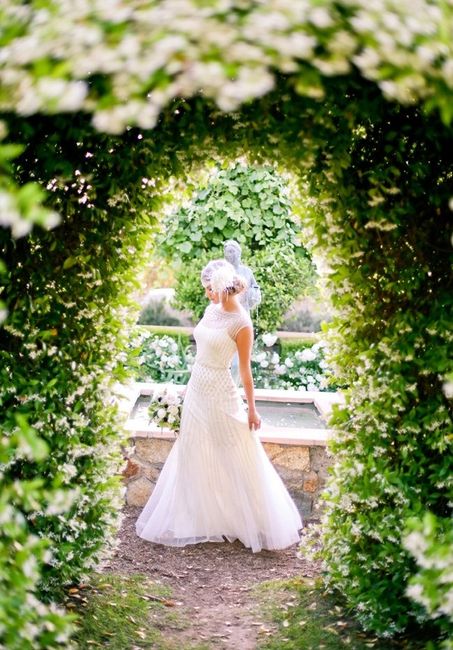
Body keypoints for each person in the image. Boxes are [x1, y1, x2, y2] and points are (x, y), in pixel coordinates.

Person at [136, 259, 302, 552]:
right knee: (192, 449)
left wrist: (252, 408)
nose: (206, 294)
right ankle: (195, 519)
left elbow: (246, 371)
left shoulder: (242, 324)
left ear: (222, 288)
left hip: (220, 389)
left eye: (209, 289)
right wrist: (186, 388)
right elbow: (200, 353)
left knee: (235, 450)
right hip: (198, 386)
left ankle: (251, 519)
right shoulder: (210, 310)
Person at [223, 240, 261, 313]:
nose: (229, 255)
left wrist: (253, 293)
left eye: (232, 251)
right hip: (227, 311)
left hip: (244, 310)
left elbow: (255, 286)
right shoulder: (222, 272)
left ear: (239, 252)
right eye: (227, 252)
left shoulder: (247, 271)